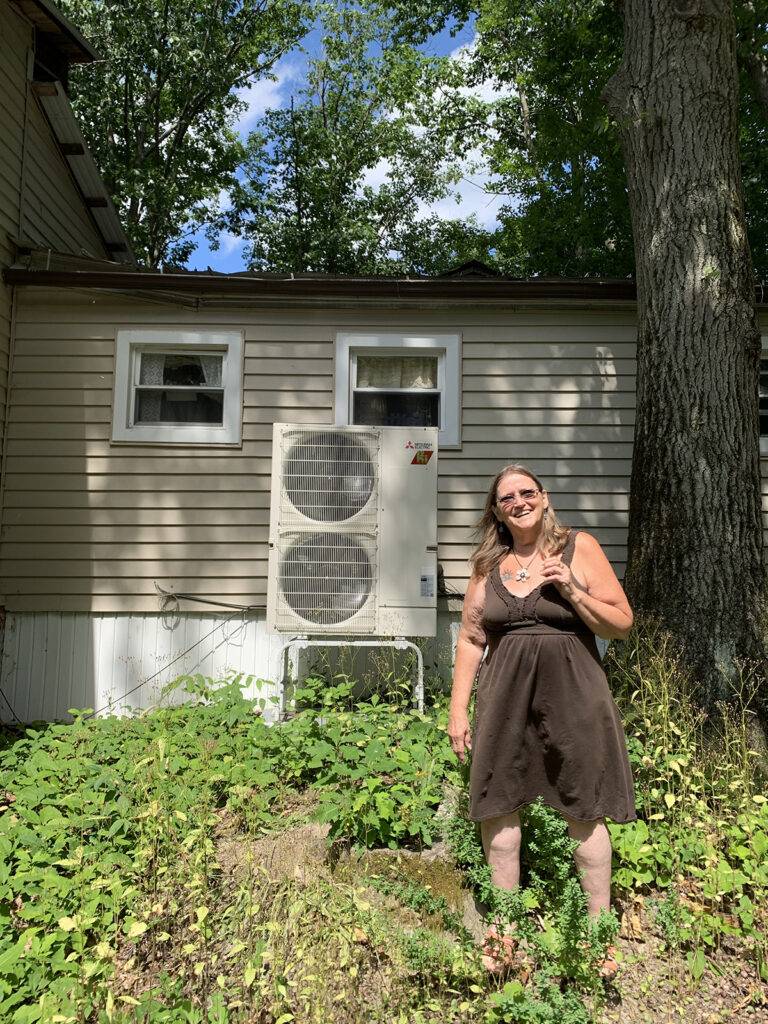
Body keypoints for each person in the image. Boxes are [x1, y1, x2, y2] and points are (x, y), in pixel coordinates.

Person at [447, 464, 636, 975]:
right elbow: (470, 639)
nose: (518, 502)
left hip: (575, 696)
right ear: (496, 511)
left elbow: (621, 624)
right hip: (505, 698)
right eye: (507, 497)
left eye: (527, 492)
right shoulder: (489, 565)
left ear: (544, 497)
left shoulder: (580, 548)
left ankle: (599, 940)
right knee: (500, 807)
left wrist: (573, 590)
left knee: (583, 807)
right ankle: (504, 934)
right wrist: (458, 709)